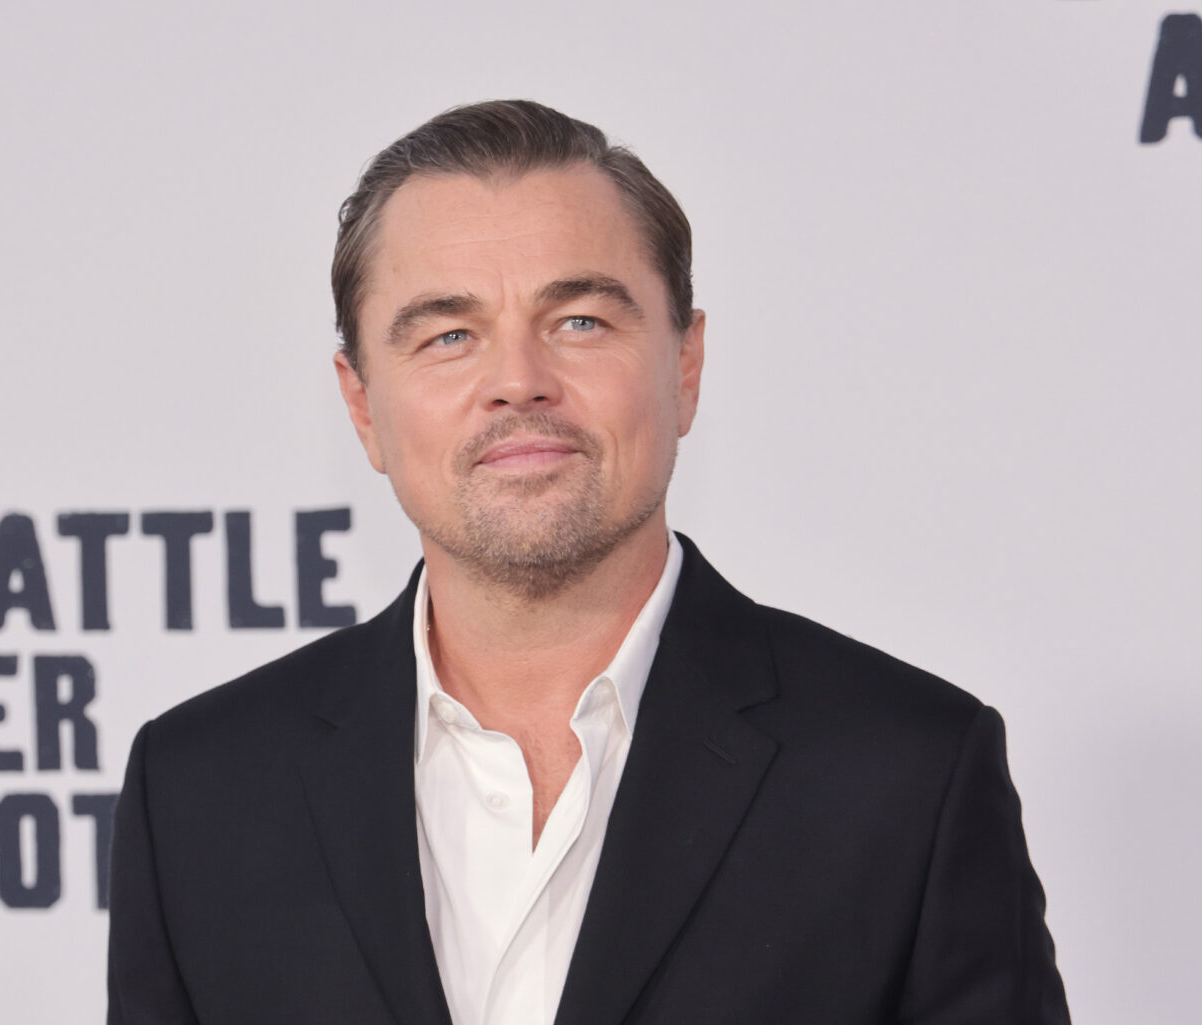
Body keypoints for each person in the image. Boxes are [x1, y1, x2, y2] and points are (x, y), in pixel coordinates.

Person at [106, 100, 1070, 1025]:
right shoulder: (198, 792)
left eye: (580, 322)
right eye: (449, 335)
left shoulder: (906, 772)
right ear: (363, 407)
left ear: (685, 366)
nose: (518, 381)